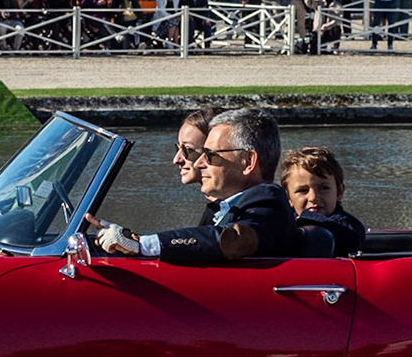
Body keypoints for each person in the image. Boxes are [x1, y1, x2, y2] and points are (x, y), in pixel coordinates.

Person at [86, 108, 296, 263]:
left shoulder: (267, 203)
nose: (198, 162)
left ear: (248, 162)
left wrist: (142, 244)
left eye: (211, 155)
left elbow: (226, 239)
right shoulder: (232, 205)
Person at [279, 146, 367, 257]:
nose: (313, 197)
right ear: (288, 198)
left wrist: (306, 219)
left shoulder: (348, 225)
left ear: (339, 192)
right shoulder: (284, 222)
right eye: (303, 190)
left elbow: (352, 240)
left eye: (324, 188)